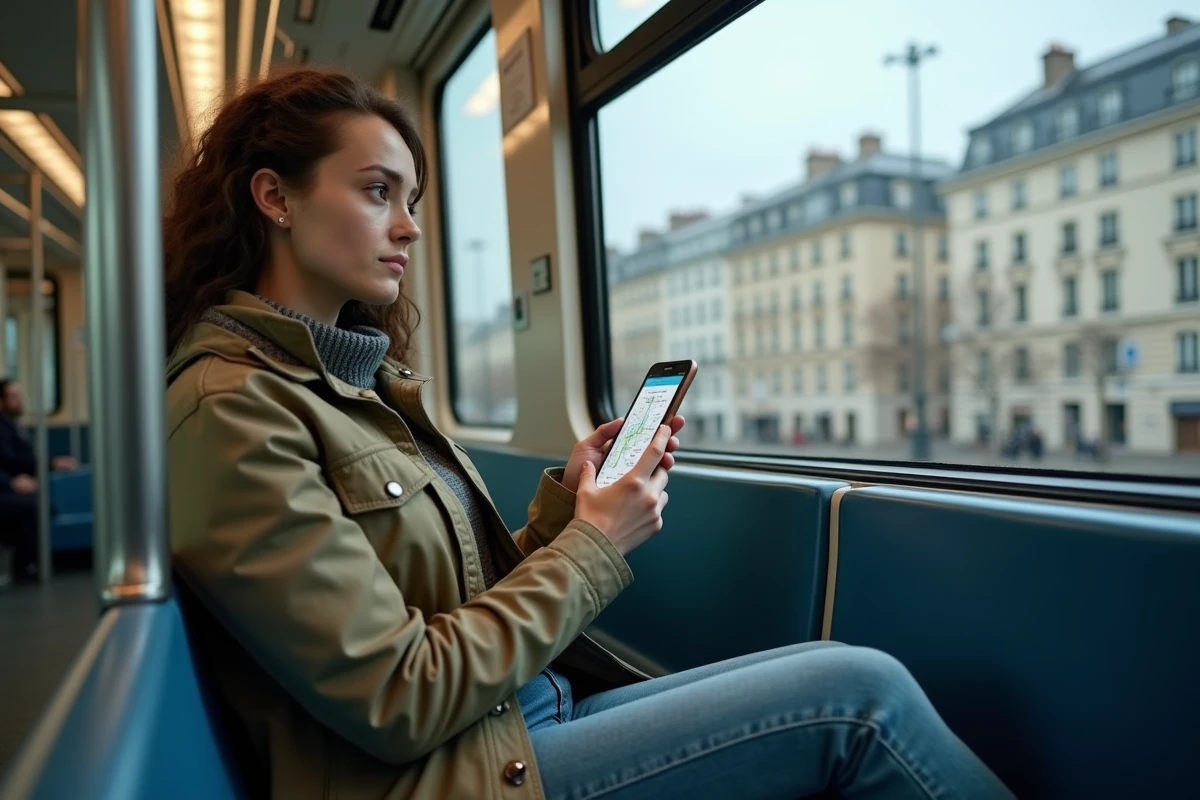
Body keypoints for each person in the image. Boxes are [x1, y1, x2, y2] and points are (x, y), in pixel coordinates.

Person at [163, 69, 1016, 800]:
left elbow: (447, 610)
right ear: (275, 196)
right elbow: (401, 693)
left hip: (514, 718)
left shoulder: (358, 381)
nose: (410, 227)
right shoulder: (233, 411)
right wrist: (599, 544)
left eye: (412, 200)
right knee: (858, 699)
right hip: (451, 773)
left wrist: (572, 507)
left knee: (841, 666)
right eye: (377, 190)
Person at [0, 378, 78, 587]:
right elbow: (12, 460)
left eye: (20, 396)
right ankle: (25, 566)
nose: (20, 401)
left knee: (42, 505)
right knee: (37, 507)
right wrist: (11, 483)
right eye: (13, 396)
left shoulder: (12, 425)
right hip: (4, 488)